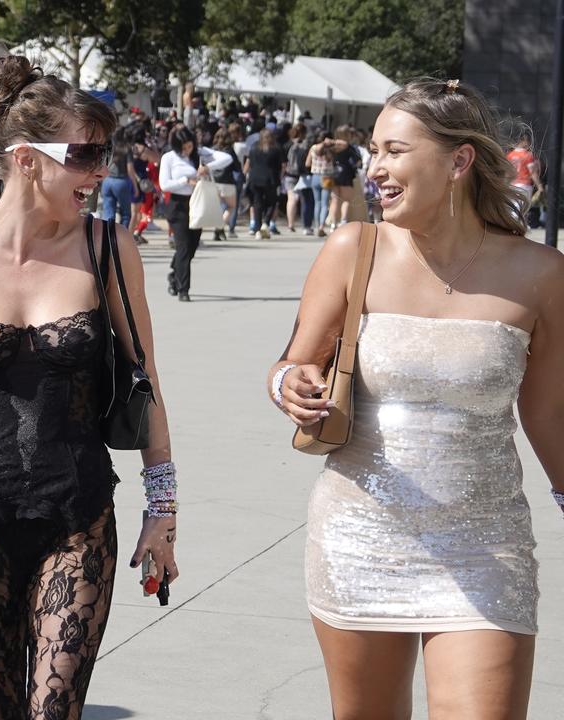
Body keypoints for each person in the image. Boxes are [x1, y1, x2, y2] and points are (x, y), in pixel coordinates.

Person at [0, 55, 180, 718]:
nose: (99, 171)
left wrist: (163, 508)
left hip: (78, 518)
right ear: (24, 158)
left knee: (54, 711)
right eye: (83, 154)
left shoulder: (107, 248)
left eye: (103, 153)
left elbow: (144, 380)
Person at [267, 78, 564, 720]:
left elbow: (547, 413)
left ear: (457, 161)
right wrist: (288, 385)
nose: (375, 167)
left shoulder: (541, 274)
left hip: (487, 545)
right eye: (374, 150)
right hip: (359, 537)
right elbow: (295, 362)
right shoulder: (354, 250)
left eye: (394, 151)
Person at [159, 126, 231, 301]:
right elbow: (165, 184)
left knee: (192, 246)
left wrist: (208, 167)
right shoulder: (169, 157)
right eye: (183, 147)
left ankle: (175, 272)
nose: (187, 150)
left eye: (189, 146)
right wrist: (185, 181)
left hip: (197, 204)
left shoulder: (199, 154)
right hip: (177, 205)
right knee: (183, 246)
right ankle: (184, 289)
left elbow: (226, 158)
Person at [245, 129, 284, 240]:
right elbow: (281, 166)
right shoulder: (276, 149)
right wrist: (279, 178)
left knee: (257, 204)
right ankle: (266, 222)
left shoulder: (254, 148)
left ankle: (257, 229)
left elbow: (249, 163)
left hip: (255, 178)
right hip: (270, 179)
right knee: (272, 202)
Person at [506, 134, 542, 206]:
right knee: (523, 209)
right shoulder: (528, 155)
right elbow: (532, 172)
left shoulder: (510, 155)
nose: (529, 143)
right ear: (523, 141)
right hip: (524, 185)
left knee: (513, 208)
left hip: (512, 185)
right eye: (528, 141)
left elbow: (507, 173)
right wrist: (539, 186)